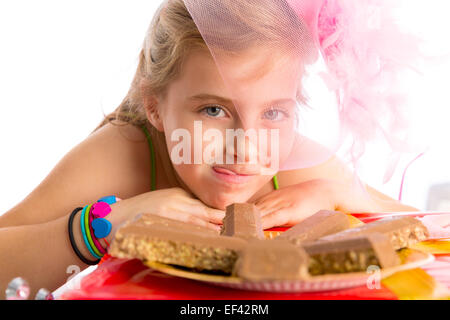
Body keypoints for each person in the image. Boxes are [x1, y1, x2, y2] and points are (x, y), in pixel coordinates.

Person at [0, 0, 418, 297]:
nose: (245, 147)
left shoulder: (290, 164)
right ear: (155, 106)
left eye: (275, 113)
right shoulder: (123, 155)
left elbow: (425, 230)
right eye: (214, 109)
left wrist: (341, 190)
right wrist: (98, 227)